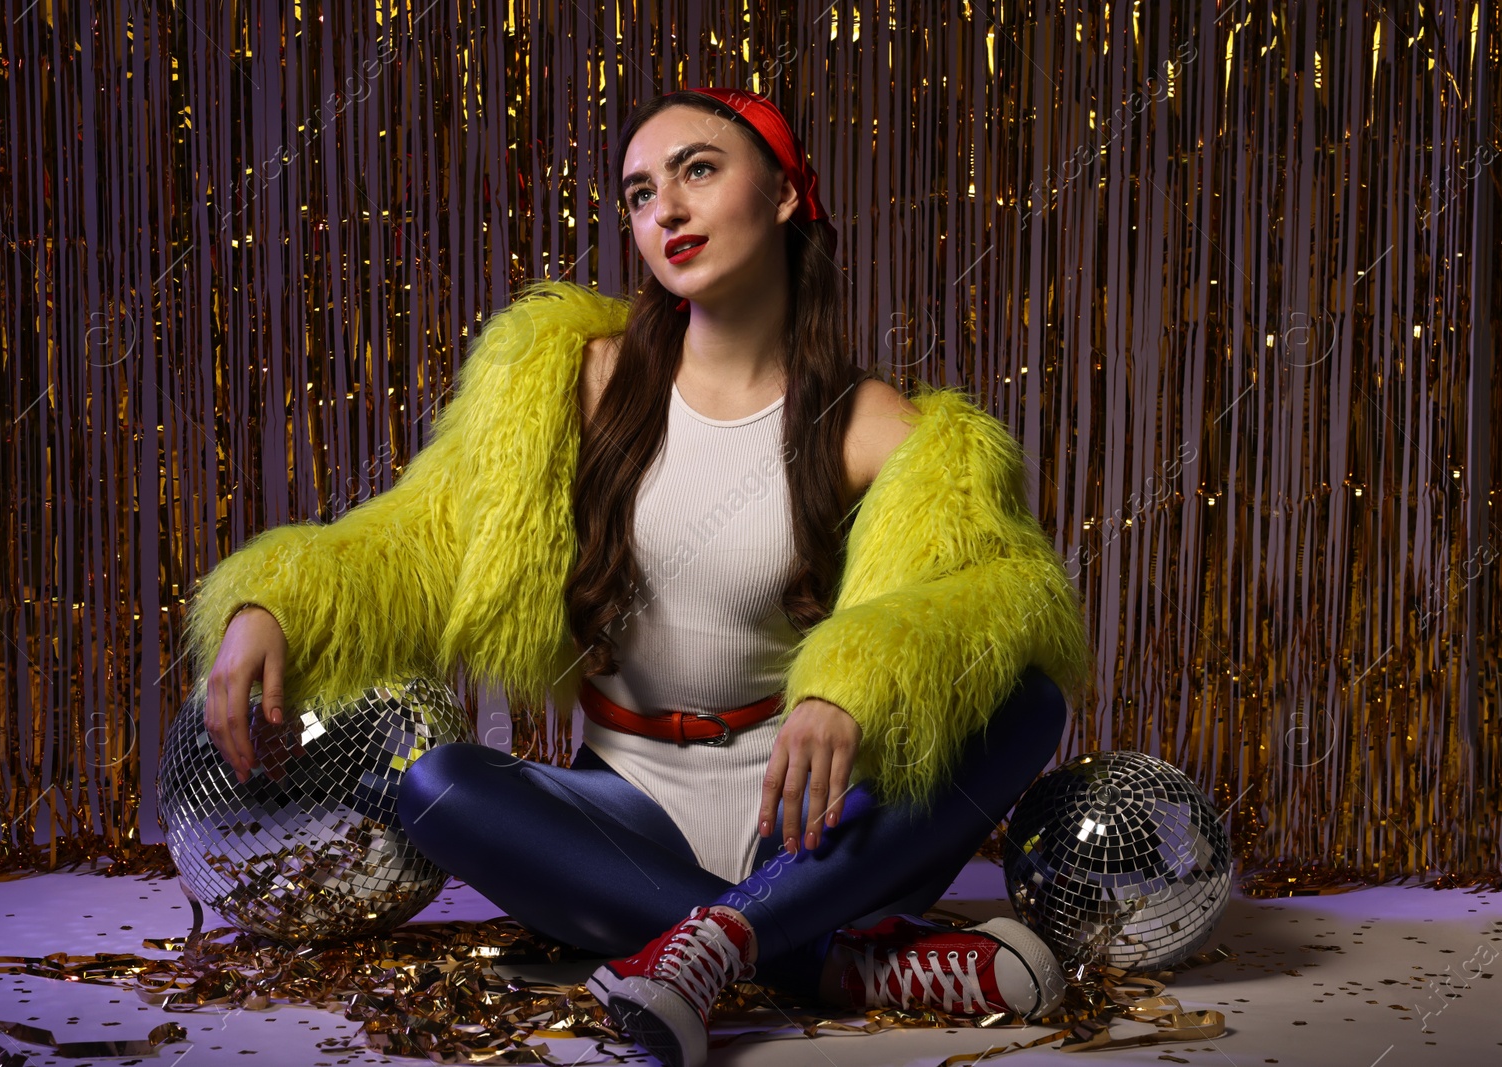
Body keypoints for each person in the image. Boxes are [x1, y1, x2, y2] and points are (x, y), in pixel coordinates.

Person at [190, 87, 1091, 1067]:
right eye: (637, 190)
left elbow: (987, 599)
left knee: (1027, 699)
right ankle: (825, 957)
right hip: (625, 809)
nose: (663, 206)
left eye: (697, 169)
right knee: (441, 783)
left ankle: (724, 936)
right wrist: (273, 598)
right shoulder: (571, 381)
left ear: (786, 194)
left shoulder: (886, 429)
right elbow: (424, 532)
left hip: (817, 820)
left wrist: (853, 683)